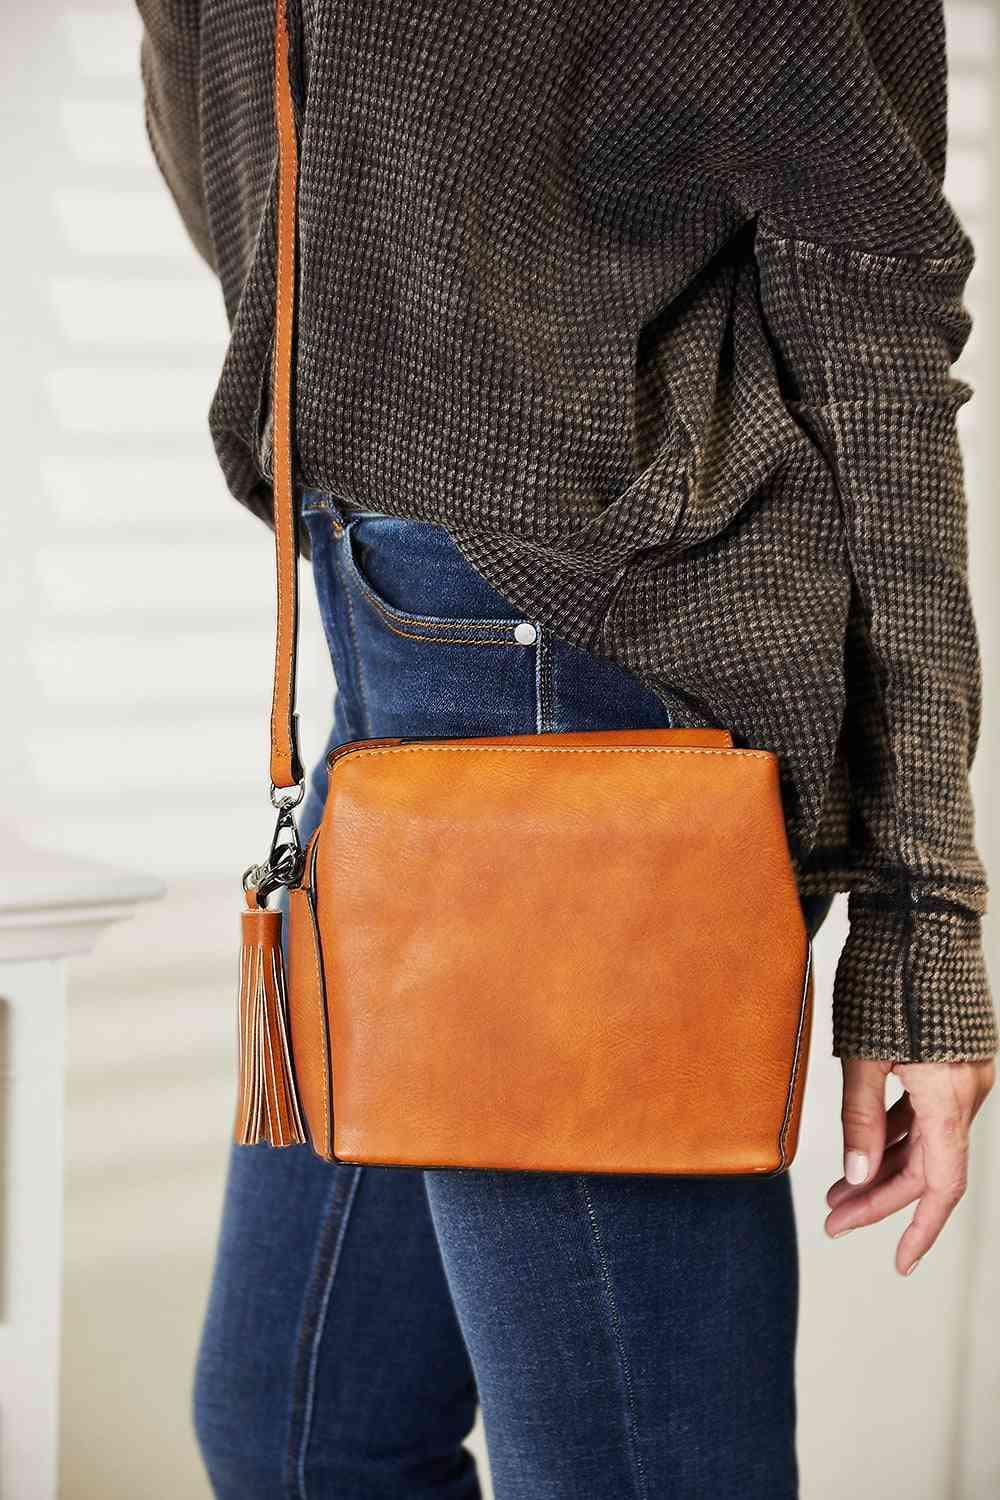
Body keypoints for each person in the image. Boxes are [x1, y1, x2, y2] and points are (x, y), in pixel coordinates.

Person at [137, 2, 995, 1494]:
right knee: (298, 1436)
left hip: (594, 687)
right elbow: (256, 171)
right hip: (375, 655)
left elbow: (872, 310)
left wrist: (926, 921)